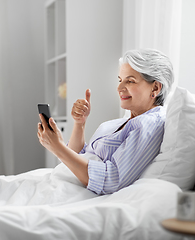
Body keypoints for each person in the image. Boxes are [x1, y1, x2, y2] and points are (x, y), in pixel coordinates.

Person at [37, 48, 174, 195]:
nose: (119, 88)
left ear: (155, 87)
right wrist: (79, 123)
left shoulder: (149, 124)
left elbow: (110, 180)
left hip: (69, 191)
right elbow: (79, 156)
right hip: (59, 182)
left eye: (130, 81)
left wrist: (58, 147)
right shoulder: (122, 122)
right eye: (120, 80)